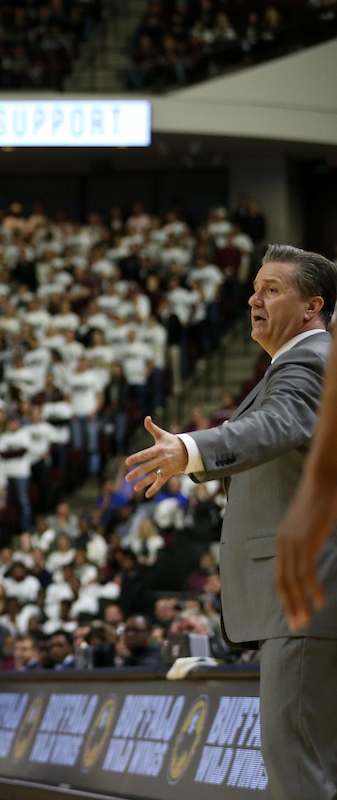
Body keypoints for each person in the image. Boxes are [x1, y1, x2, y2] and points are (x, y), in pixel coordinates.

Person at [126, 245, 337, 800]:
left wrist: (190, 449)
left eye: (272, 289)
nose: (253, 298)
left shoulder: (309, 362)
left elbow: (277, 424)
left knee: (297, 768)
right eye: (255, 288)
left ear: (313, 306)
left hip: (302, 596)